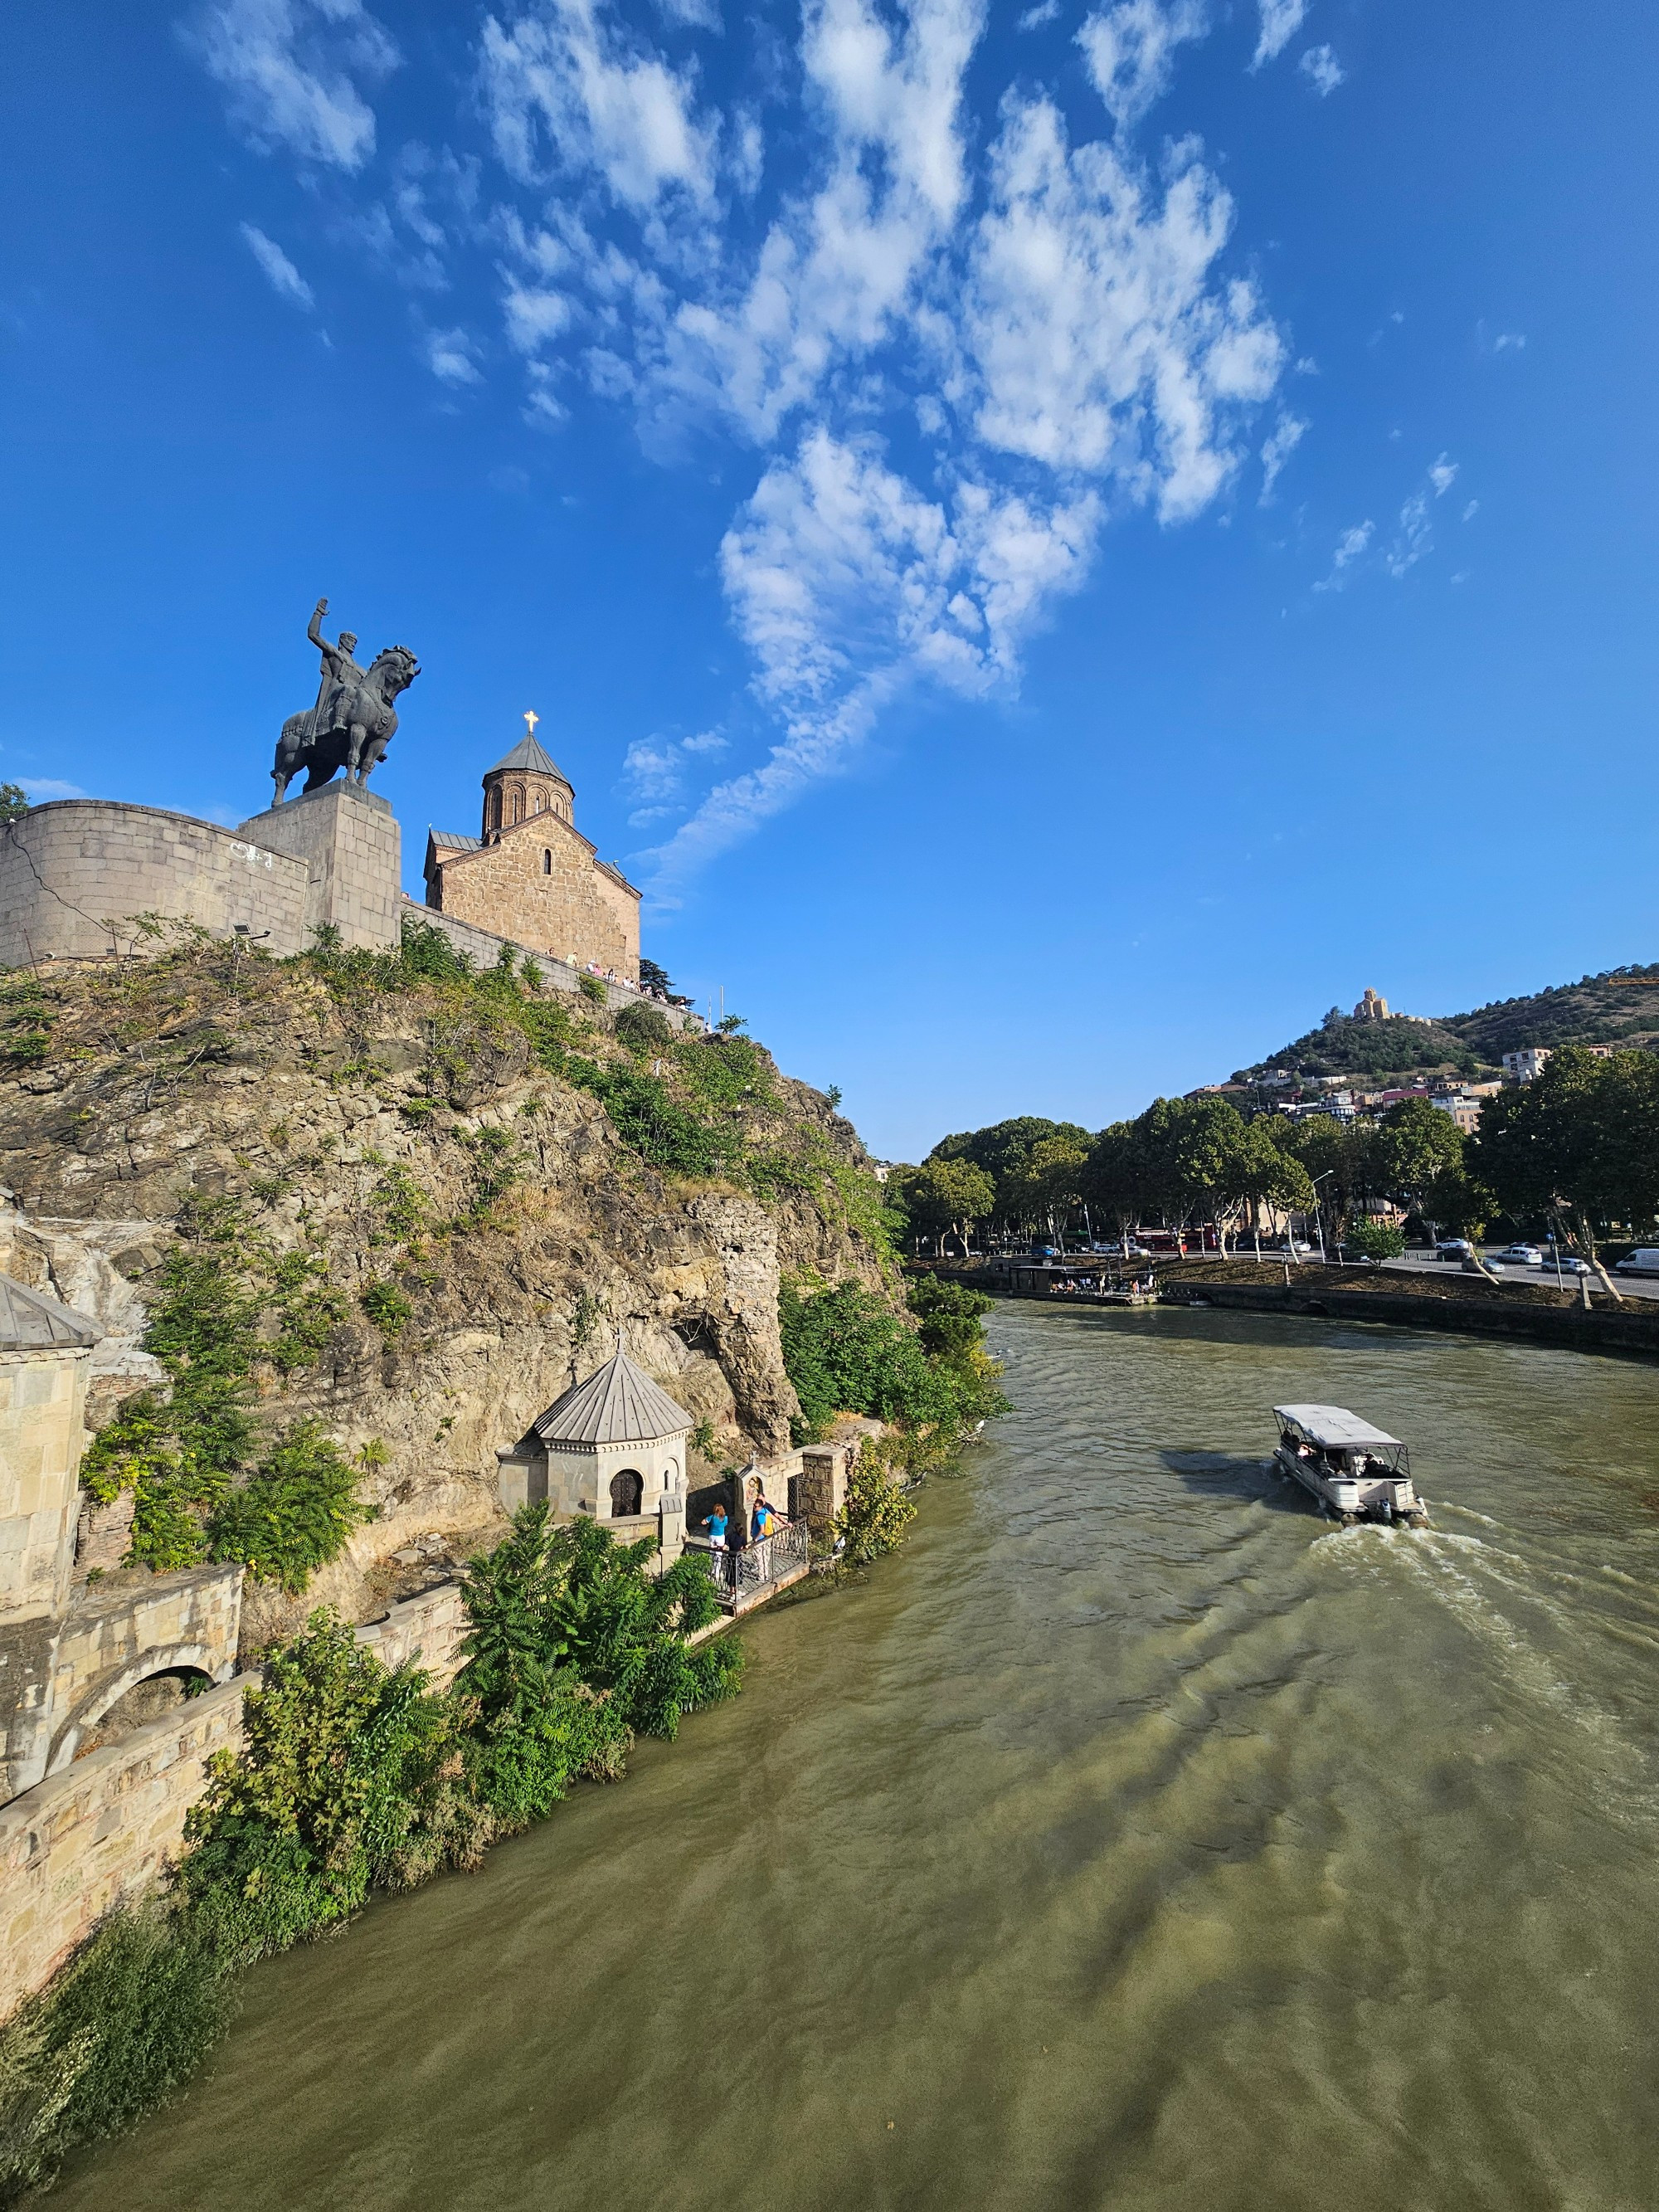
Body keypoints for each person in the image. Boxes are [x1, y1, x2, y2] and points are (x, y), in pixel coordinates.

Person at [703, 1501, 730, 1591]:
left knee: (712, 1552)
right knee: (719, 1554)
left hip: (712, 1536)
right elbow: (725, 1525)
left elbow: (703, 1522)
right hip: (720, 1537)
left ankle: (713, 1570)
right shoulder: (725, 1518)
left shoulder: (712, 1517)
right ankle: (717, 1572)